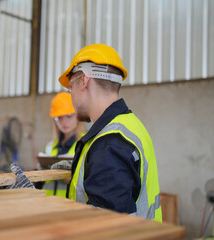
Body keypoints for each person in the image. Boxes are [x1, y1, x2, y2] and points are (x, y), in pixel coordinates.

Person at [57, 43, 162, 222]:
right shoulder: (129, 125)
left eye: (70, 88)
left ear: (84, 80)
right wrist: (85, 169)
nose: (71, 95)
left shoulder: (109, 146)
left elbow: (106, 231)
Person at [38, 92, 83, 197]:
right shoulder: (49, 147)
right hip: (49, 204)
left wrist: (73, 178)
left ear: (78, 116)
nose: (64, 122)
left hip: (71, 207)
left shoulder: (86, 144)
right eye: (59, 118)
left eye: (69, 116)